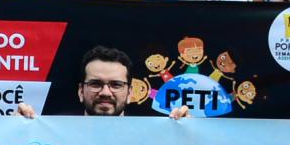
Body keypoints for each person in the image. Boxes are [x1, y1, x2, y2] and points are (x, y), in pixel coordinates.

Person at [18, 46, 176, 118]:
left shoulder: (149, 137)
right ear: (81, 91)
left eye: (116, 85)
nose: (105, 92)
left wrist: (186, 133)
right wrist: (16, 130)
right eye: (95, 84)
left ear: (130, 93)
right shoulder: (53, 131)